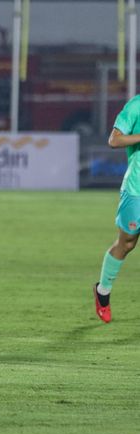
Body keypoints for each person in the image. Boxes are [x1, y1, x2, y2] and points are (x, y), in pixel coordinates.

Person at [93, 95, 140, 323]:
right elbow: (114, 140)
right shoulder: (136, 106)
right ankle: (103, 292)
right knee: (127, 242)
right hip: (136, 188)